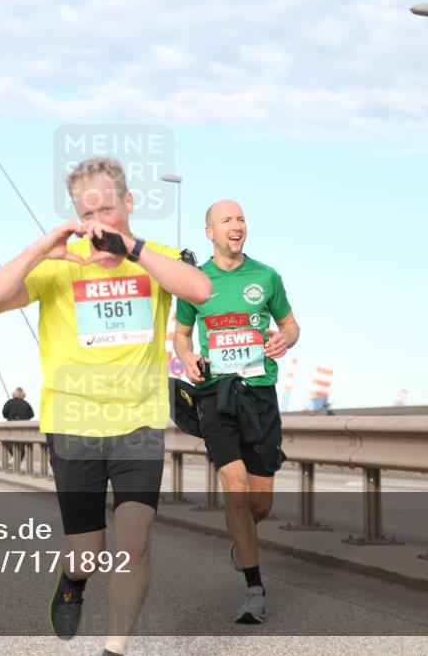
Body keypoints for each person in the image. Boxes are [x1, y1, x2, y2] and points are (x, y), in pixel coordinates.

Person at [0, 157, 211, 651]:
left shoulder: (156, 258)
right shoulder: (61, 264)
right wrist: (44, 248)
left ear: (129, 202)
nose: (99, 218)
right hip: (73, 421)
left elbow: (201, 290)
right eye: (89, 211)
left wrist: (135, 250)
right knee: (87, 552)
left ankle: (113, 648)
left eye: (108, 206)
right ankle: (74, 581)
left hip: (138, 422)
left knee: (135, 541)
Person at [173, 199, 300, 624]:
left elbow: (291, 324)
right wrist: (187, 358)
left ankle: (242, 537)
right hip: (216, 395)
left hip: (260, 394)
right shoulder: (195, 282)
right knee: (235, 486)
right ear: (209, 232)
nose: (237, 224)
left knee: (259, 503)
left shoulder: (266, 276)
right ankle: (254, 588)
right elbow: (182, 335)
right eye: (226, 219)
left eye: (241, 218)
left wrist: (286, 339)